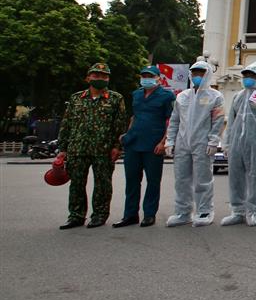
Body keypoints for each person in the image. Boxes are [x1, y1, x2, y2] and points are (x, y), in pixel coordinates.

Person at [55, 62, 127, 229]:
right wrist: (62, 149)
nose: (100, 78)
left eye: (104, 76)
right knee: (77, 184)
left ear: (108, 79)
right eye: (96, 75)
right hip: (77, 148)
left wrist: (117, 147)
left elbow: (120, 126)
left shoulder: (116, 99)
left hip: (103, 149)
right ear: (88, 78)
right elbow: (66, 124)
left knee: (103, 184)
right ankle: (76, 215)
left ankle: (100, 215)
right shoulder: (76, 98)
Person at [165, 60, 225, 227]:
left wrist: (214, 141)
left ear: (207, 74)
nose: (197, 76)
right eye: (194, 73)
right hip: (183, 142)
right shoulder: (182, 96)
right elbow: (175, 120)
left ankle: (204, 211)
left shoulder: (215, 97)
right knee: (181, 179)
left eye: (201, 73)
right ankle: (183, 212)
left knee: (202, 179)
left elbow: (218, 121)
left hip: (203, 143)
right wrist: (170, 140)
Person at [113, 65, 175, 228]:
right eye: (144, 75)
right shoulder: (137, 94)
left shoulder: (166, 96)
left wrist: (164, 142)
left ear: (158, 78)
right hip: (133, 142)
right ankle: (130, 214)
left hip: (153, 144)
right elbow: (135, 116)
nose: (146, 78)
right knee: (132, 180)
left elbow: (171, 121)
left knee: (153, 181)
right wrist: (127, 134)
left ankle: (149, 214)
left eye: (150, 76)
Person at [220, 62, 256, 227]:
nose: (247, 79)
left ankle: (254, 211)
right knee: (236, 178)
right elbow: (231, 121)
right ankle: (237, 211)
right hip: (237, 143)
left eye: (251, 76)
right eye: (245, 76)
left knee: (255, 178)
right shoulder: (237, 96)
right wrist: (227, 143)